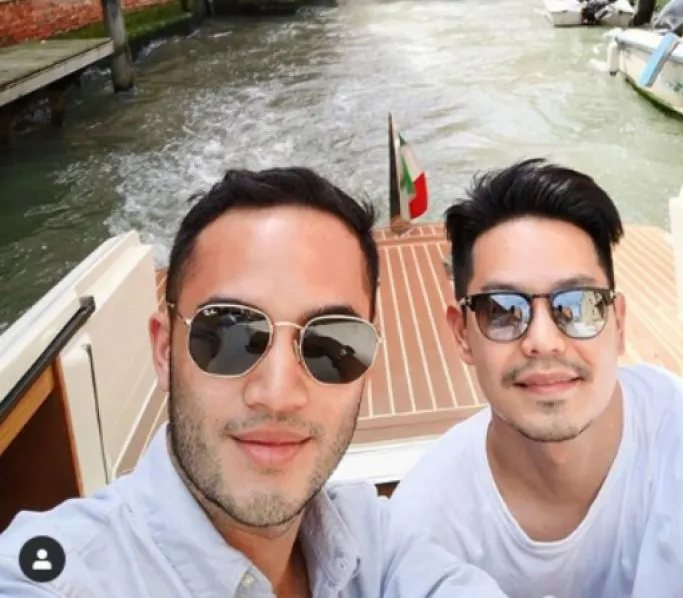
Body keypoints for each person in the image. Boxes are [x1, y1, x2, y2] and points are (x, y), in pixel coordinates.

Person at [0, 167, 510, 597]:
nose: (278, 394)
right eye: (229, 334)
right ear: (164, 351)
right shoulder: (58, 575)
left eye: (331, 344)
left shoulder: (378, 541)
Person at [388, 158, 683, 598]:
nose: (544, 341)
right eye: (502, 310)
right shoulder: (424, 524)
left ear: (618, 324)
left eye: (578, 305)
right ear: (462, 335)